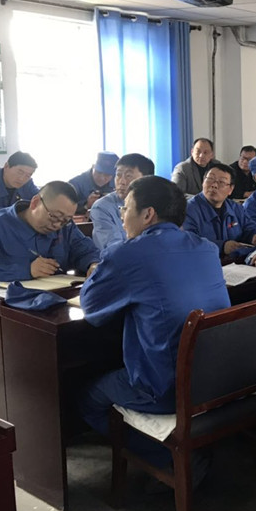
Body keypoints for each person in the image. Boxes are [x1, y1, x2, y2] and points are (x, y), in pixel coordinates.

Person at [77, 175, 230, 468]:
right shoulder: (206, 247)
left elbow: (92, 307)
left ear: (148, 214)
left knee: (88, 397)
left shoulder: (128, 254)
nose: (122, 216)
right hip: (219, 378)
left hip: (167, 389)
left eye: (125, 208)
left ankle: (173, 459)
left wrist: (100, 271)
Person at [0, 181, 100, 286]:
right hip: (6, 300)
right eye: (54, 216)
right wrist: (27, 270)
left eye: (65, 220)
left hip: (58, 295)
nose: (57, 225)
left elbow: (85, 250)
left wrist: (93, 264)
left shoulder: (66, 227)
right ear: (35, 203)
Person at [182, 162, 256, 257]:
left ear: (230, 189)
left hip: (234, 262)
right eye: (210, 179)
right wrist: (222, 246)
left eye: (221, 182)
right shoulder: (188, 210)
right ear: (203, 182)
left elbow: (250, 226)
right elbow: (188, 242)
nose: (214, 185)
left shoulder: (235, 208)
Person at [90, 153, 154, 251]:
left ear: (147, 179)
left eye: (128, 176)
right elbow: (114, 249)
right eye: (118, 175)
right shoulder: (102, 207)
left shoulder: (156, 202)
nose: (121, 182)